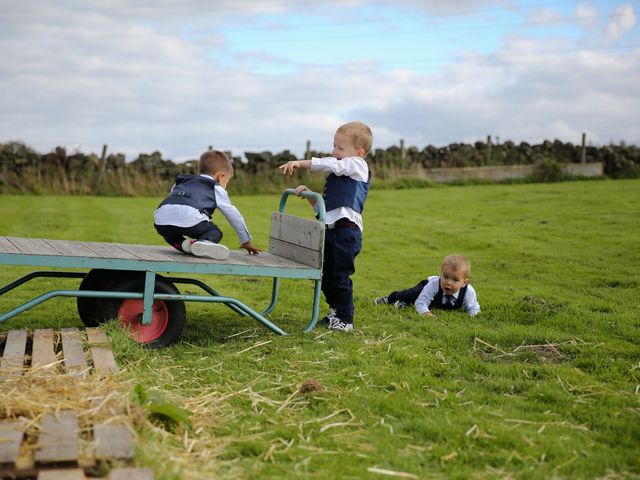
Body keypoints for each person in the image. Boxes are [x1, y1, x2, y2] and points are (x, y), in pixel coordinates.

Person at [278, 121, 372, 332]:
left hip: (346, 232)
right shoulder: (341, 174)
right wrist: (311, 196)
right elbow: (325, 212)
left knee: (339, 276)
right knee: (327, 276)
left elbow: (332, 164)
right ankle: (335, 311)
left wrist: (301, 163)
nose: (333, 151)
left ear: (359, 152)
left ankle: (345, 319)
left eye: (340, 148)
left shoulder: (357, 165)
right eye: (333, 145)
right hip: (331, 231)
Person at [154, 150, 260, 260]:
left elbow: (175, 200)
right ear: (220, 176)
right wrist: (246, 241)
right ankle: (204, 242)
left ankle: (184, 246)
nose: (225, 186)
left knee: (169, 233)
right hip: (190, 219)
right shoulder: (215, 187)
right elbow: (234, 215)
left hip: (161, 220)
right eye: (226, 182)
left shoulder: (181, 181)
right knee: (214, 232)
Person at [375, 254, 480, 317]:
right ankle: (390, 298)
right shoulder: (435, 284)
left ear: (464, 283)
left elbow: (474, 309)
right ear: (440, 274)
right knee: (411, 294)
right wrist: (426, 313)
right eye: (445, 277)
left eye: (455, 280)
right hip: (426, 285)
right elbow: (421, 302)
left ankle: (404, 304)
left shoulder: (468, 292)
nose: (448, 282)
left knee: (431, 303)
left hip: (435, 301)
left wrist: (471, 317)